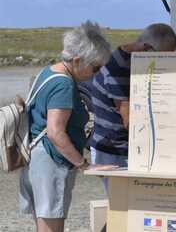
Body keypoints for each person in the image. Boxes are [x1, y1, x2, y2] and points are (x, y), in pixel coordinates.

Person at [19, 21, 113, 232]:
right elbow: (55, 132)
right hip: (50, 164)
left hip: (36, 160)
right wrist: (83, 164)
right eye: (95, 67)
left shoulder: (48, 72)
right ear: (78, 60)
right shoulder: (64, 84)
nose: (96, 73)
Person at [87, 23, 176, 190]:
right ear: (147, 48)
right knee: (124, 206)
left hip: (121, 148)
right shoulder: (120, 70)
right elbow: (129, 120)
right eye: (163, 57)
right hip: (114, 151)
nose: (165, 63)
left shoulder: (127, 59)